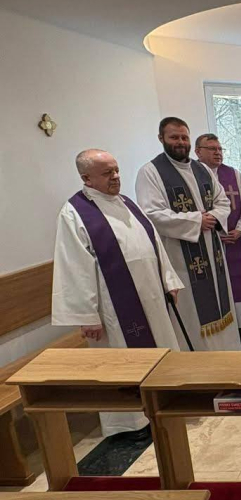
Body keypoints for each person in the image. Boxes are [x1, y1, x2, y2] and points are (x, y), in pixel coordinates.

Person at [52, 149, 183, 435]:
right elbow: (73, 267)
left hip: (151, 296)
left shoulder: (127, 203)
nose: (116, 177)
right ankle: (130, 423)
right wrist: (86, 315)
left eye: (116, 170)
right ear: (86, 178)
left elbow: (152, 244)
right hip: (113, 307)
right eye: (107, 173)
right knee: (121, 360)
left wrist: (169, 279)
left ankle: (163, 403)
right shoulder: (74, 213)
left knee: (160, 347)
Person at [136, 116, 241, 350]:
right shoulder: (151, 172)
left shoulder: (201, 169)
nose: (180, 142)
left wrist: (212, 217)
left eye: (184, 137)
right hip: (180, 255)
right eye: (174, 137)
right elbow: (151, 214)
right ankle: (198, 361)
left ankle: (228, 354)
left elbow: (222, 201)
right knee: (192, 311)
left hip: (212, 249)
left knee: (221, 301)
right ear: (161, 138)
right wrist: (196, 221)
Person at [195, 133, 241, 336]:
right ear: (198, 152)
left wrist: (240, 229)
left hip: (233, 240)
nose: (218, 153)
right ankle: (219, 325)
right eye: (212, 149)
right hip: (207, 241)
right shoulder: (192, 175)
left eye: (220, 149)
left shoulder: (233, 174)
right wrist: (213, 232)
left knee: (237, 281)